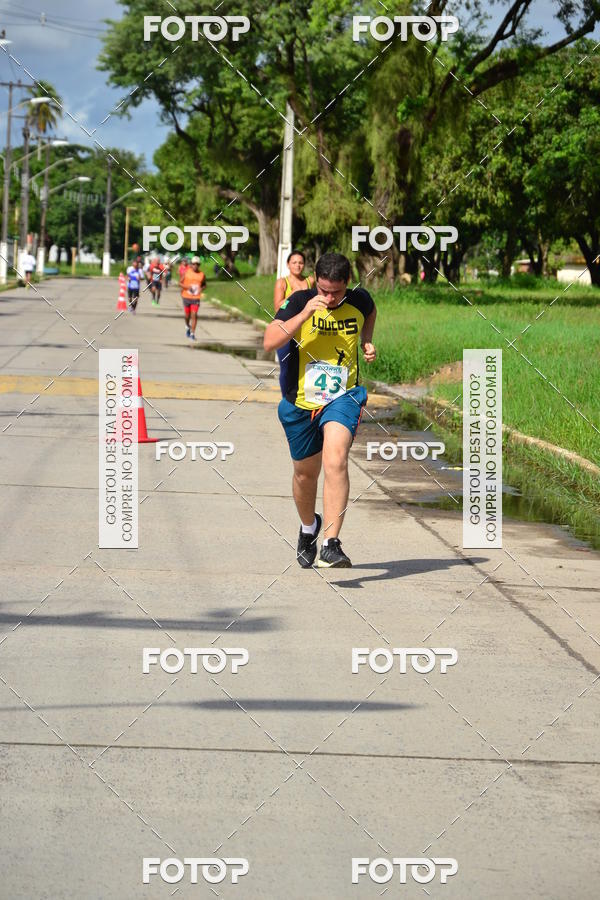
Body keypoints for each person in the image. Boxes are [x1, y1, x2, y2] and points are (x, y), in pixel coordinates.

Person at [263, 252, 376, 569]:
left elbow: (371, 311)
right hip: (300, 401)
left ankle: (331, 542)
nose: (329, 297)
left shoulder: (360, 300)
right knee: (304, 474)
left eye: (336, 292)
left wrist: (367, 341)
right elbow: (269, 341)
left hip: (343, 396)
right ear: (316, 282)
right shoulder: (300, 300)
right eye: (324, 290)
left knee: (335, 459)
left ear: (347, 284)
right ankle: (309, 527)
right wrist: (303, 315)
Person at [273, 250, 314, 396]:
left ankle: (305, 401)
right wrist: (294, 296)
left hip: (307, 330)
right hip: (286, 330)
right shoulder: (282, 282)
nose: (298, 265)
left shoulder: (310, 281)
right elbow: (278, 307)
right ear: (288, 265)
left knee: (306, 367)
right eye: (294, 262)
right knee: (287, 367)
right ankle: (287, 399)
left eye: (301, 262)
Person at [180, 255, 206, 340]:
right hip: (186, 296)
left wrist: (200, 289)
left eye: (197, 264)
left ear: (199, 265)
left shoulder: (202, 274)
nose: (195, 266)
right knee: (187, 315)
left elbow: (204, 285)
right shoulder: (186, 272)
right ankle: (187, 326)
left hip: (195, 297)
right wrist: (187, 287)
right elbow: (180, 283)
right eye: (194, 264)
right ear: (191, 264)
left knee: (194, 314)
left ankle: (192, 333)